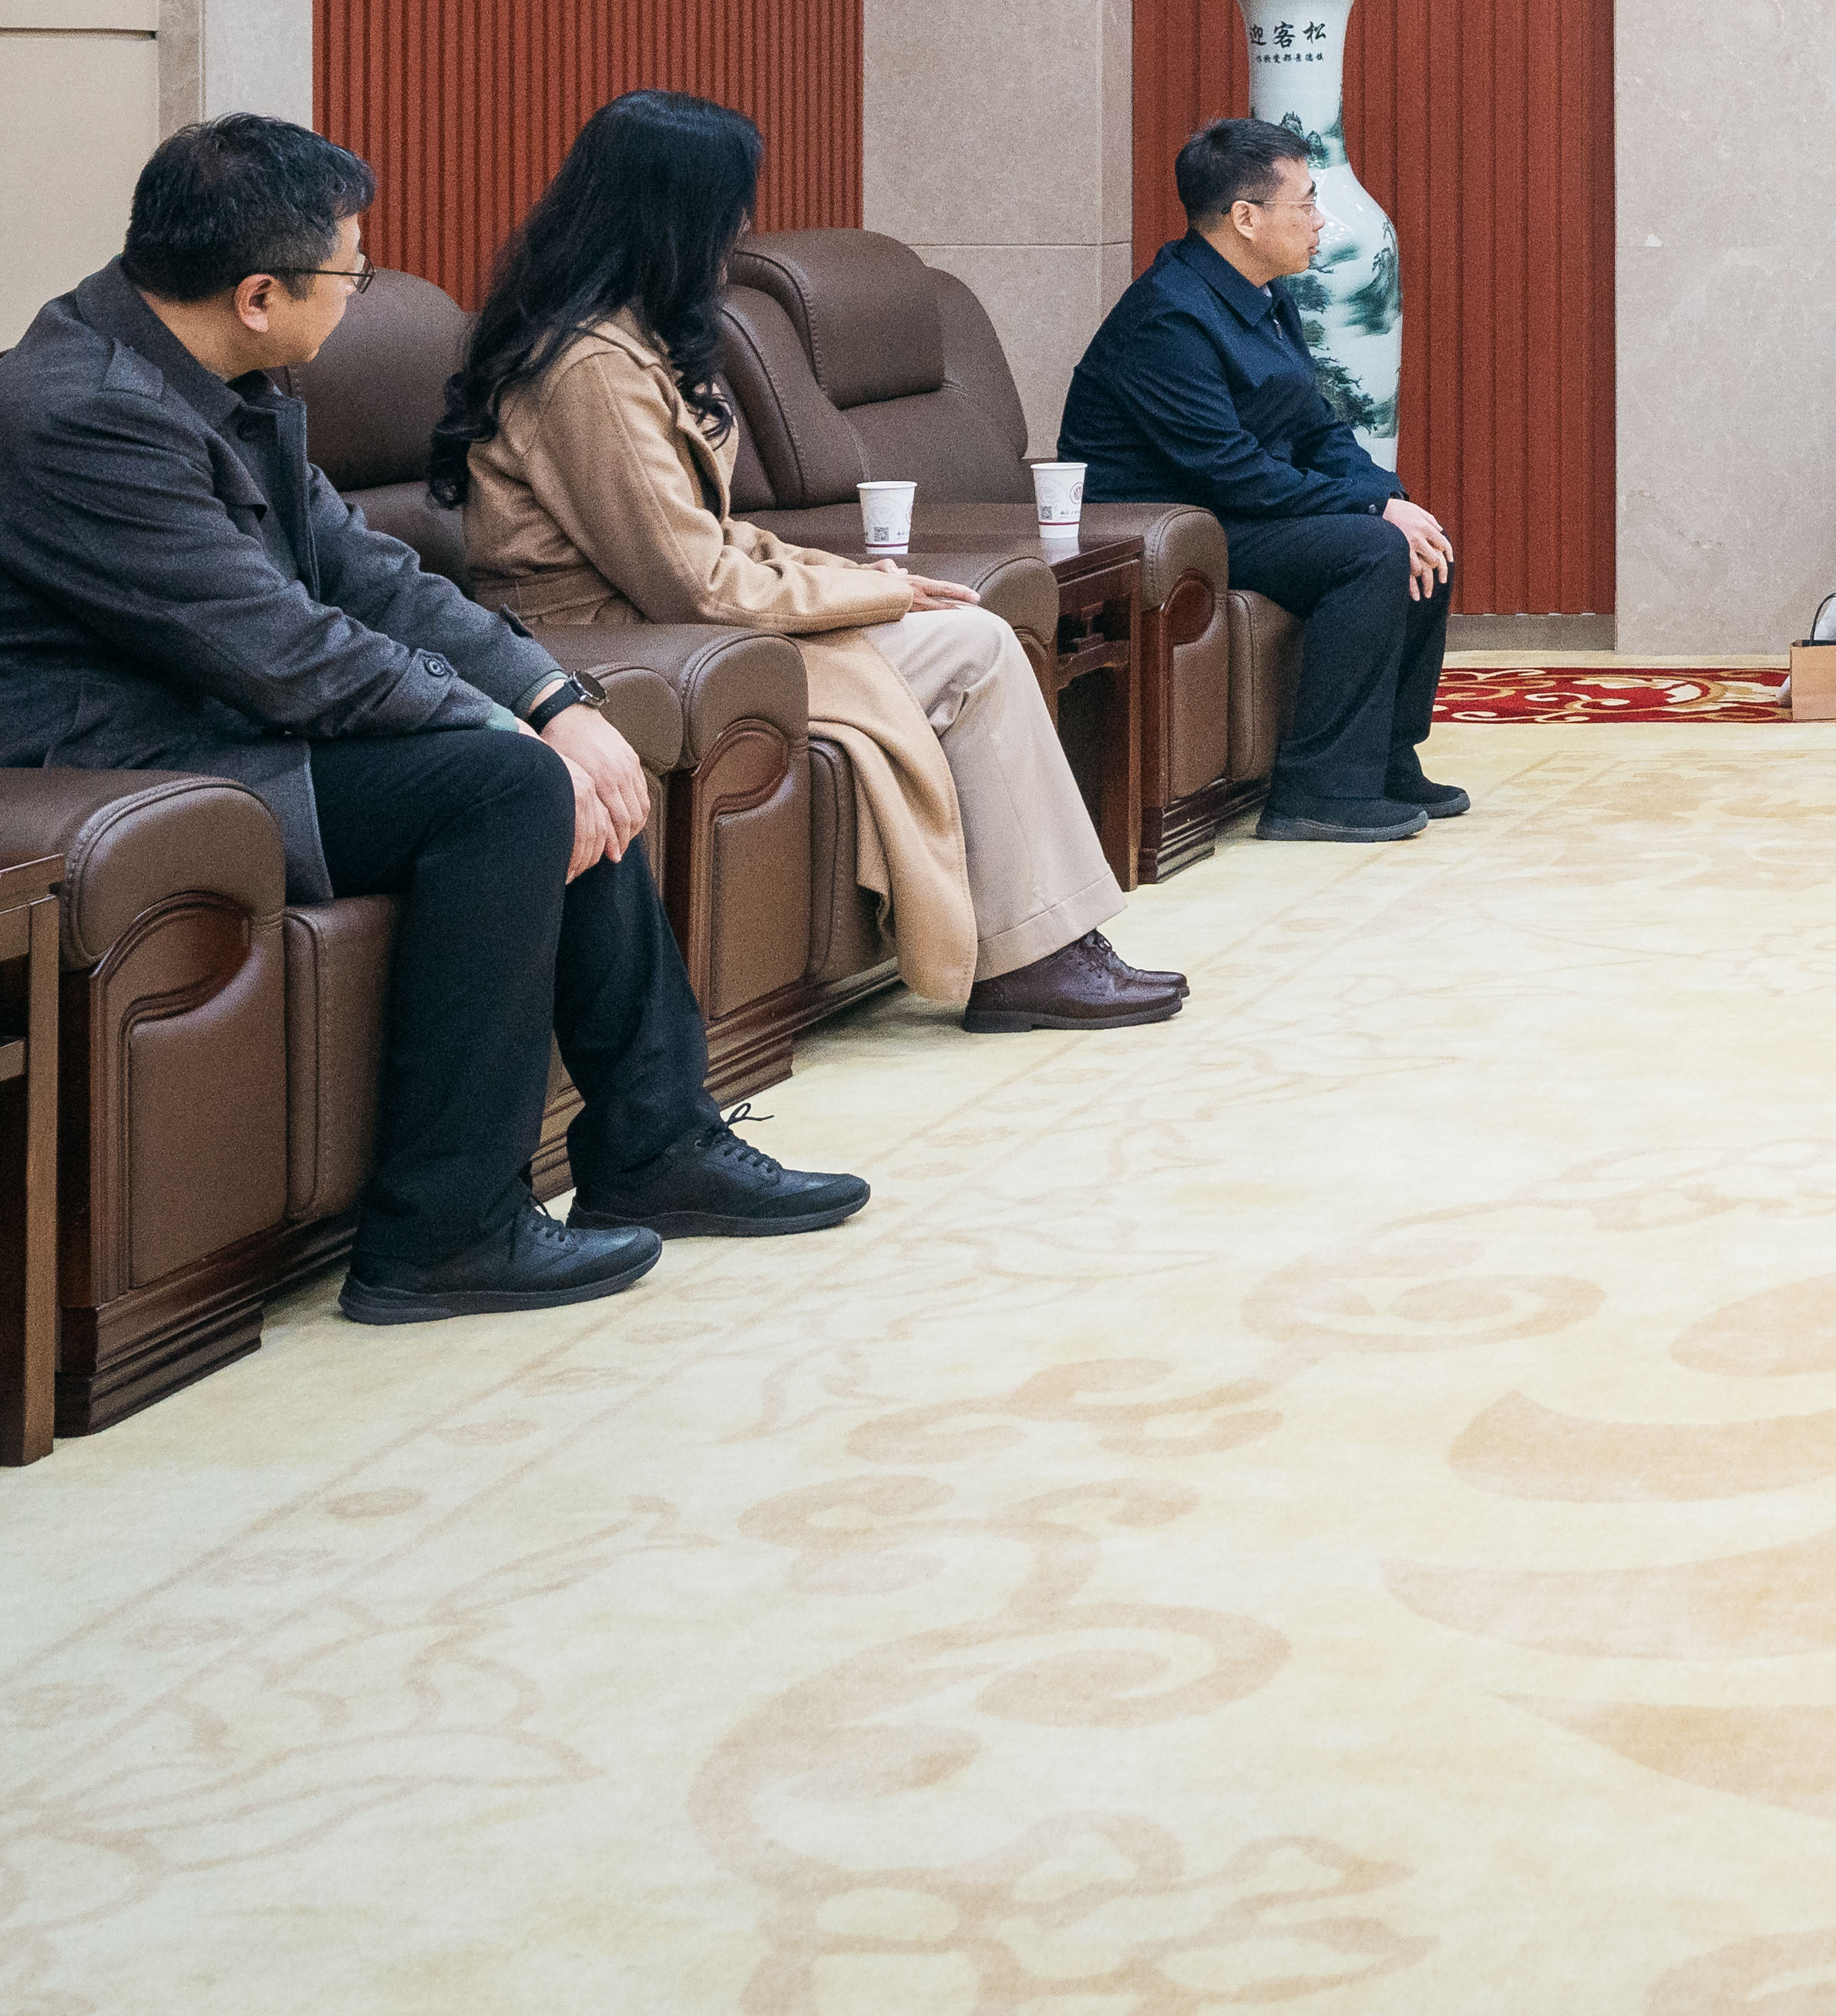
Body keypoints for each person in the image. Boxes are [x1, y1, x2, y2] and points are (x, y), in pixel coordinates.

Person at [0, 116, 866, 1319]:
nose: (360, 289)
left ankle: (655, 1143)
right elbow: (283, 652)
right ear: (259, 294)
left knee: (572, 744)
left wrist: (551, 696)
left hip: (227, 720)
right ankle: (440, 1230)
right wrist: (518, 734)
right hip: (122, 756)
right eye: (349, 271)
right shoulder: (84, 412)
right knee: (511, 782)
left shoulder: (218, 371)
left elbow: (370, 574)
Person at [433, 91, 1179, 1037]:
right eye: (731, 208)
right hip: (621, 636)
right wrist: (870, 594)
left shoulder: (626, 339)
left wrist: (869, 588)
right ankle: (1033, 958)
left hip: (674, 620)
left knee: (970, 633)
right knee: (975, 647)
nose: (743, 230)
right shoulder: (588, 368)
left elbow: (707, 535)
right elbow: (690, 577)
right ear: (673, 213)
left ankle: (1047, 947)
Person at [1063, 116, 1462, 845]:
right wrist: (1372, 511)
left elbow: (1314, 427)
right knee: (1373, 549)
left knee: (1421, 540)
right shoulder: (1167, 318)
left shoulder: (1264, 294)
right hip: (1170, 524)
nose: (1319, 220)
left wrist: (1388, 496)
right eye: (1304, 203)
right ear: (1245, 218)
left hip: (1234, 508)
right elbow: (1230, 469)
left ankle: (1382, 760)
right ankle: (1317, 793)